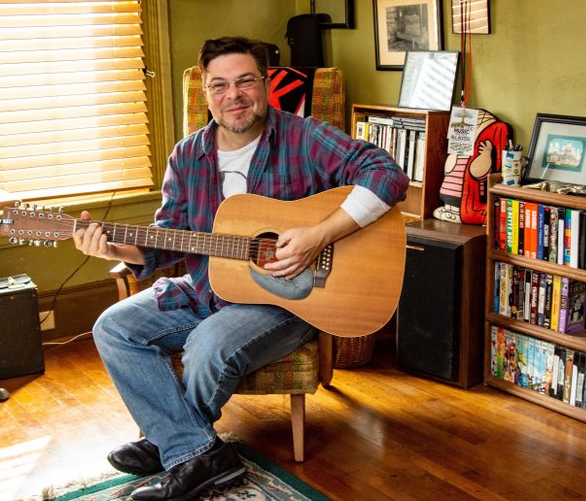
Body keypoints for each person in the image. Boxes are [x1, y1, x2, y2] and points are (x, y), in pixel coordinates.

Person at [72, 36, 409, 501]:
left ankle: (173, 444)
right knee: (113, 326)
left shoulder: (303, 136)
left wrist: (319, 235)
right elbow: (166, 241)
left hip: (287, 302)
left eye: (245, 81)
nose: (234, 95)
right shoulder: (187, 155)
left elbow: (386, 173)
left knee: (209, 344)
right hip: (206, 288)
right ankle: (195, 451)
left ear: (265, 85)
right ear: (206, 94)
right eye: (220, 85)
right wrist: (114, 251)